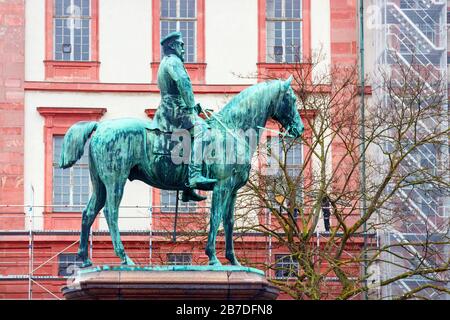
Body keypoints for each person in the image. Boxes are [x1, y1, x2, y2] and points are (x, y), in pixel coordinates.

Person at [152, 31, 217, 202]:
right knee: (204, 131)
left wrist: (194, 106)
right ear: (172, 46)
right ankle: (195, 176)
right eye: (181, 45)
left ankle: (186, 189)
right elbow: (183, 84)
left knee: (193, 136)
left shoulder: (166, 62)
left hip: (169, 108)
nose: (184, 49)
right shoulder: (174, 62)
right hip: (175, 111)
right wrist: (190, 107)